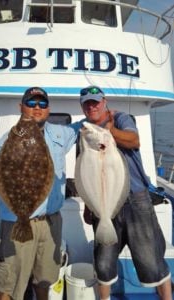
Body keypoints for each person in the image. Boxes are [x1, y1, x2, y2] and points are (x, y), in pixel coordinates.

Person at [79, 85, 172, 300]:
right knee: (103, 261)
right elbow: (86, 173)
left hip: (136, 199)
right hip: (103, 202)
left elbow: (134, 140)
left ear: (104, 102)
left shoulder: (121, 119)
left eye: (96, 102)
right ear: (83, 107)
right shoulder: (84, 133)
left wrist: (109, 131)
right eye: (87, 103)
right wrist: (88, 205)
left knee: (151, 260)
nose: (92, 106)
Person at [0, 87, 81, 300]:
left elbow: (80, 127)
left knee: (45, 280)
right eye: (31, 103)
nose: (36, 108)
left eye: (42, 104)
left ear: (48, 109)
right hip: (17, 221)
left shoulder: (59, 134)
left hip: (50, 223)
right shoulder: (8, 139)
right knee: (9, 285)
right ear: (21, 107)